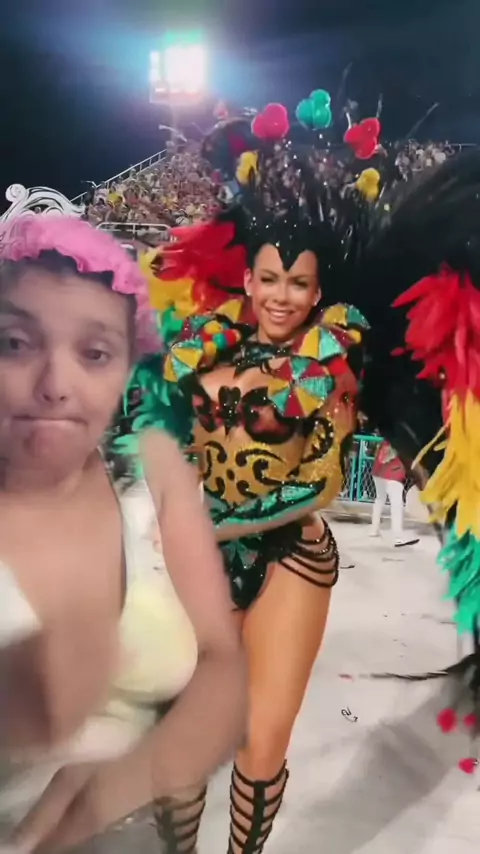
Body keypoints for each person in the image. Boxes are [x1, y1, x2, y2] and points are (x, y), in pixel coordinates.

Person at [125, 154, 369, 852]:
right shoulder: (200, 351)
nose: (282, 297)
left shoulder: (330, 367)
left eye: (299, 283)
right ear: (247, 280)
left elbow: (321, 479)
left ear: (318, 292)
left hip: (292, 558)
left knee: (260, 743)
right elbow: (162, 435)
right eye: (270, 279)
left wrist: (215, 524)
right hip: (201, 557)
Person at [0, 215, 246, 853]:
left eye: (94, 353)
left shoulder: (154, 473)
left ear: (127, 369)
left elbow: (222, 666)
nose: (56, 387)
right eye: (16, 343)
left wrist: (100, 796)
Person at [370, 438, 419, 546]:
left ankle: (374, 529)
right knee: (397, 505)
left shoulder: (387, 439)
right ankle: (398, 537)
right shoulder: (404, 440)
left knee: (380, 499)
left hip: (378, 472)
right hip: (394, 473)